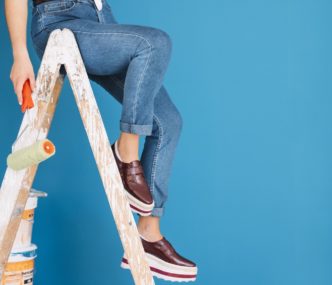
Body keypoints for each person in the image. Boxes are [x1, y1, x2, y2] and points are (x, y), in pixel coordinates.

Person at [5, 0, 197, 281]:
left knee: (168, 123)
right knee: (154, 42)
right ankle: (125, 154)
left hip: (100, 17)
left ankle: (148, 234)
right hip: (60, 20)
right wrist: (19, 54)